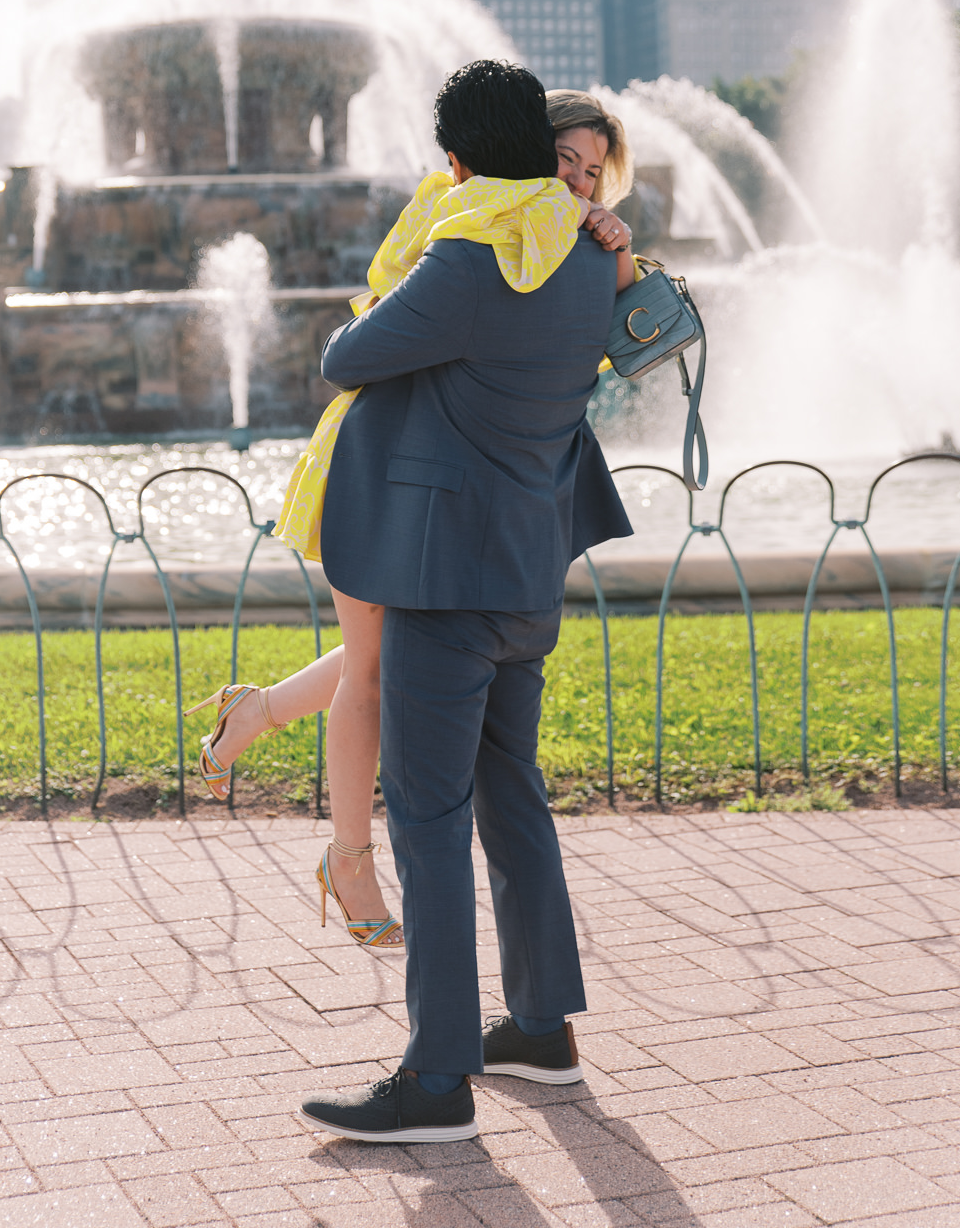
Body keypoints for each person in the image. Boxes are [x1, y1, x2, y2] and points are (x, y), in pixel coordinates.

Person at [188, 85, 636, 956]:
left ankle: (258, 712)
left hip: (443, 487)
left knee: (382, 654)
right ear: (517, 150)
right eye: (564, 163)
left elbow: (597, 316)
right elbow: (364, 345)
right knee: (374, 674)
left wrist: (616, 245)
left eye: (592, 174)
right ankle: (348, 860)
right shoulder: (457, 215)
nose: (579, 185)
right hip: (382, 465)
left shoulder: (567, 237)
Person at [293, 59, 632, 1142]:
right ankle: (539, 1027)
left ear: (455, 162)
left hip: (446, 581)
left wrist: (432, 250)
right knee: (510, 800)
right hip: (528, 572)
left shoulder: (470, 249)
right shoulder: (587, 256)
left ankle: (436, 1078)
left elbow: (346, 354)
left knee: (429, 821)